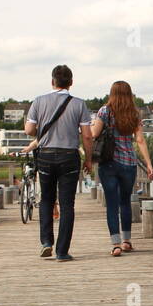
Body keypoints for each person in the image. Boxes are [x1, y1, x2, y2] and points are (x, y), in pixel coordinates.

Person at [24, 64, 93, 260]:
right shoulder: (79, 104)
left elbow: (29, 131)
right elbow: (87, 136)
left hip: (45, 155)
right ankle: (62, 251)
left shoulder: (38, 101)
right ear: (71, 83)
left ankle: (46, 242)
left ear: (52, 81)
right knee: (67, 204)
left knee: (46, 200)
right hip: (69, 157)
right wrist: (88, 160)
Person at [90, 80, 153, 256]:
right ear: (129, 94)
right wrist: (148, 164)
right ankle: (127, 241)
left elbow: (94, 134)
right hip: (128, 164)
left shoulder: (105, 111)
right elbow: (140, 140)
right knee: (125, 201)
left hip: (108, 163)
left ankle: (116, 245)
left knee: (111, 204)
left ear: (112, 94)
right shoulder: (134, 113)